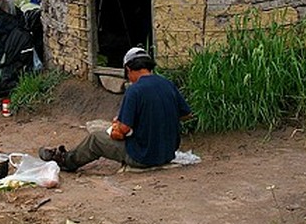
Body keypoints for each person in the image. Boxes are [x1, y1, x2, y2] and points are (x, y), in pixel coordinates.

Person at [39, 47, 193, 171]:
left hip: (143, 157)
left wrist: (121, 126)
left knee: (96, 139)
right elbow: (186, 114)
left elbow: (123, 129)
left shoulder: (135, 90)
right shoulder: (167, 84)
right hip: (167, 153)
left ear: (128, 69)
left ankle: (66, 160)